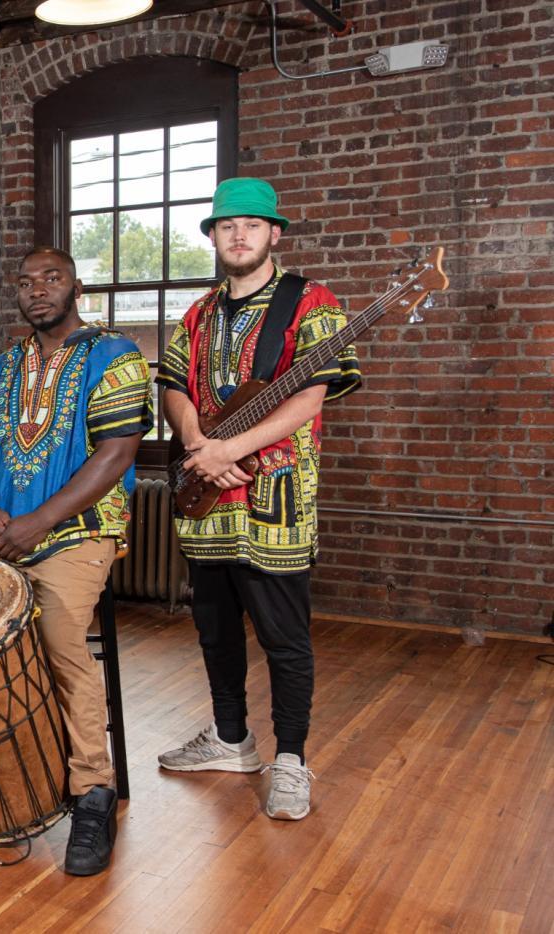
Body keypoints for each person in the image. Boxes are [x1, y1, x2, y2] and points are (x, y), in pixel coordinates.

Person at [156, 177, 361, 821]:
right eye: (225, 225)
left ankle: (292, 760)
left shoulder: (313, 303)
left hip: (276, 498)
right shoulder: (197, 313)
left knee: (284, 637)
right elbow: (172, 385)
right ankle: (230, 739)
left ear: (275, 233)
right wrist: (198, 443)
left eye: (251, 224)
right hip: (206, 497)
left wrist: (231, 448)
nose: (238, 234)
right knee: (214, 630)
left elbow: (310, 398)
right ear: (214, 238)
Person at [0, 245, 152, 876]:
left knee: (58, 633)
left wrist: (40, 521)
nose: (38, 290)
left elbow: (115, 456)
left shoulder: (115, 357)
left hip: (78, 531)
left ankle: (93, 789)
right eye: (27, 282)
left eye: (51, 279)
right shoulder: (0, 368)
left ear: (77, 286)